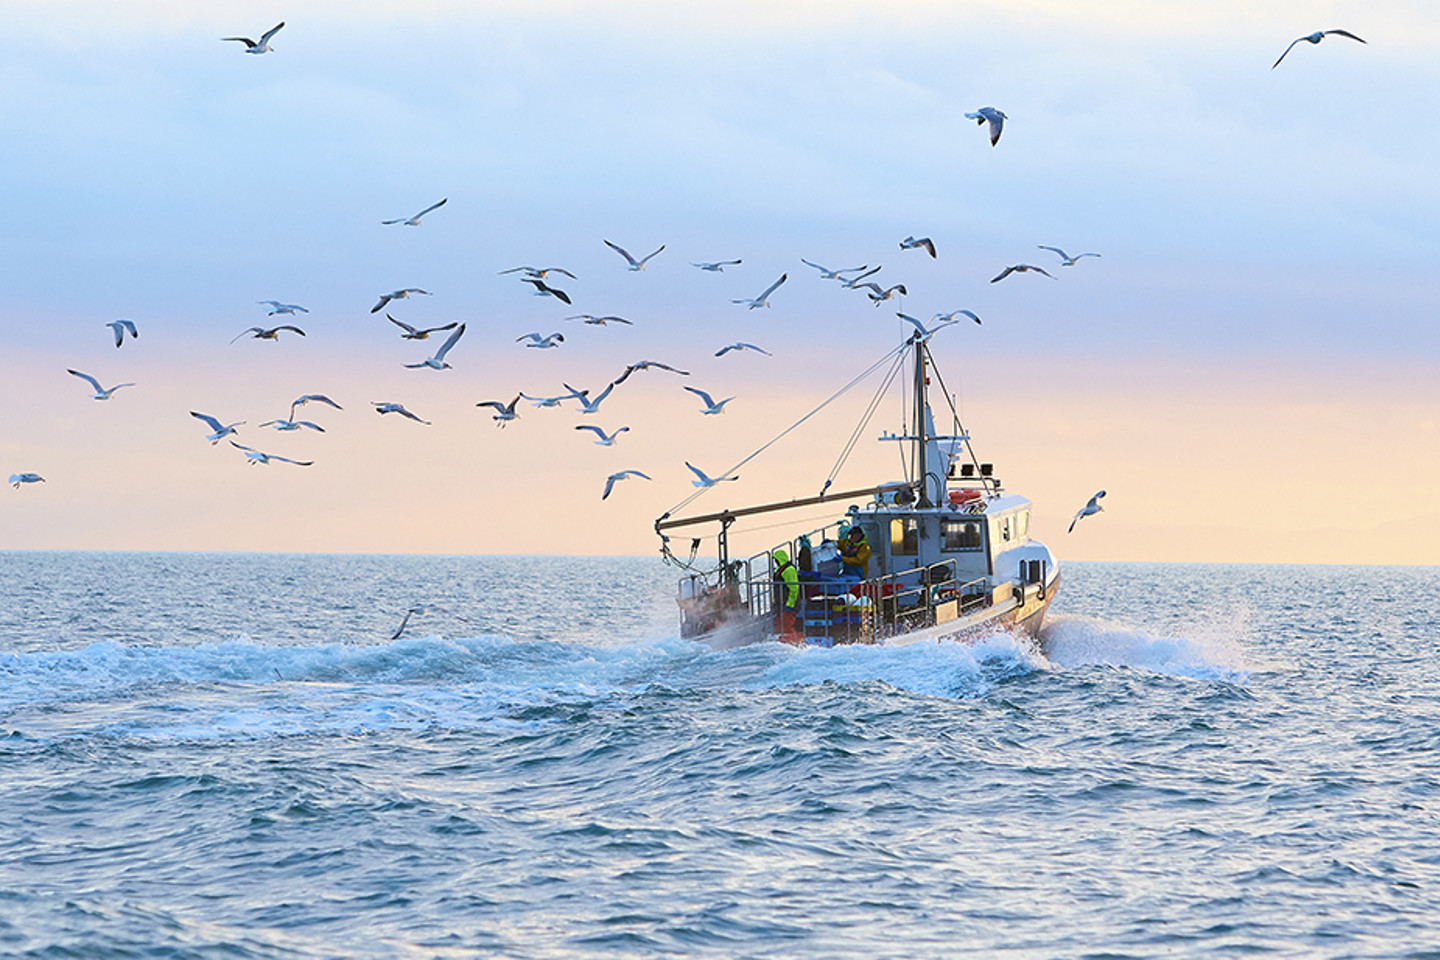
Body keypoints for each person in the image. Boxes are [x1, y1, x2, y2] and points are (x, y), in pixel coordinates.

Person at [772, 548, 800, 636]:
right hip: (781, 603)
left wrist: (790, 604)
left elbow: (794, 588)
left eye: (776, 560)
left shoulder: (789, 570)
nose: (775, 562)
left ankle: (795, 642)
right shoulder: (780, 570)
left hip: (788, 604)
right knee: (780, 627)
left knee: (787, 627)